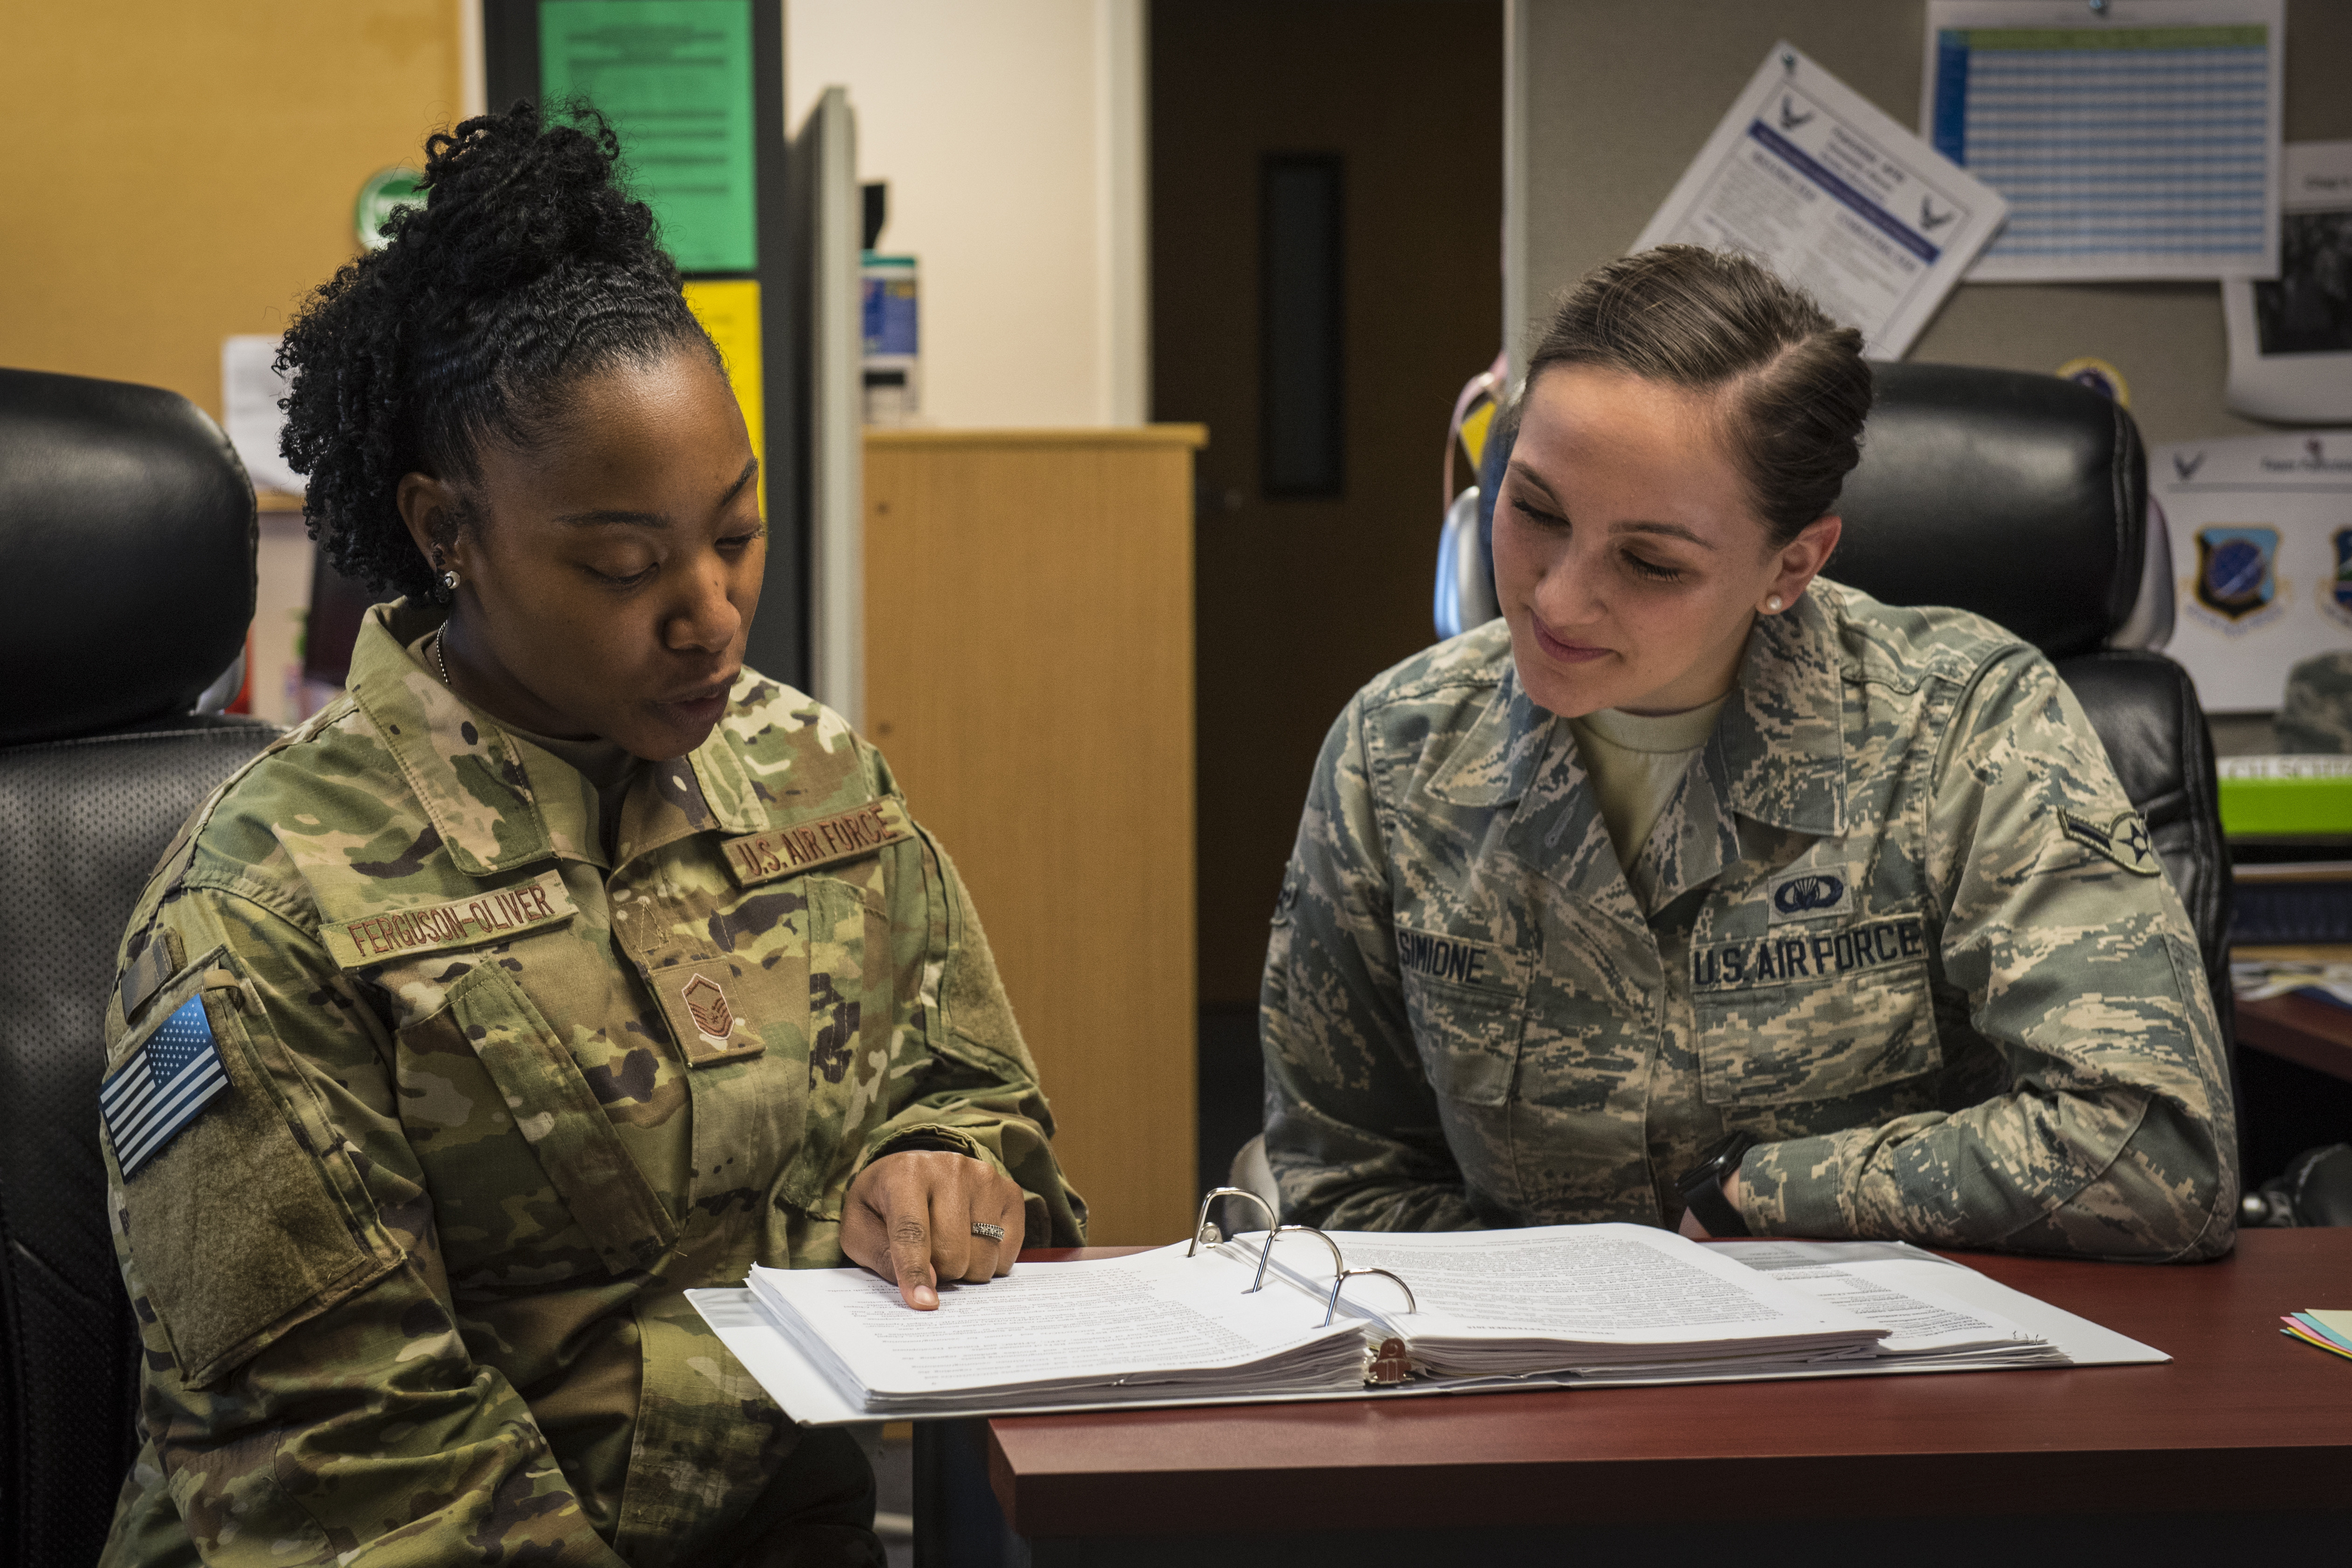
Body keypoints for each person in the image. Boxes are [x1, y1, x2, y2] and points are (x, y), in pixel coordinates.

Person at [98, 105, 1083, 1567]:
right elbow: (346, 1461)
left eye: (734, 533)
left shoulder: (813, 779)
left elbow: (977, 1098)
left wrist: (943, 1168)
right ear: (450, 531)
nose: (711, 610)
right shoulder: (259, 908)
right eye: (624, 563)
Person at [1261, 246, 2236, 1260]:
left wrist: (1765, 1194)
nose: (1555, 597)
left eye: (1650, 561)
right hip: (1526, 1390)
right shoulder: (1397, 753)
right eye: (1536, 510)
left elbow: (2157, 1154)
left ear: (1793, 563)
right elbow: (1347, 1182)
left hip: (1887, 1382)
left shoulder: (1963, 728)